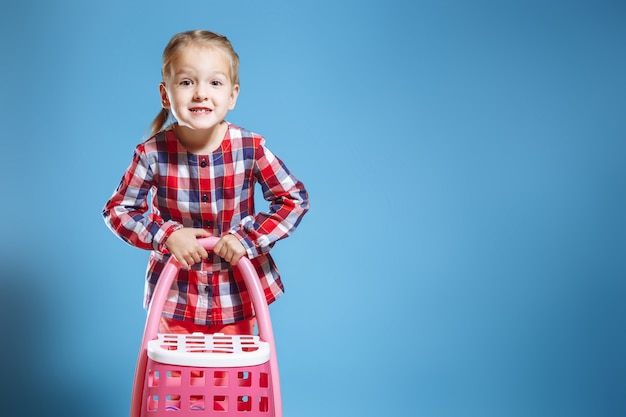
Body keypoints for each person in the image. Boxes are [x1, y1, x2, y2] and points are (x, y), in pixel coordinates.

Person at [102, 30, 309, 337]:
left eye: (214, 82)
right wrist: (167, 235)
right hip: (176, 297)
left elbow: (293, 199)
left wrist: (247, 239)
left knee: (231, 380)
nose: (200, 93)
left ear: (232, 95)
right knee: (175, 378)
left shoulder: (250, 147)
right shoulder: (151, 154)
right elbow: (118, 210)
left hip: (237, 295)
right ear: (165, 94)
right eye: (187, 82)